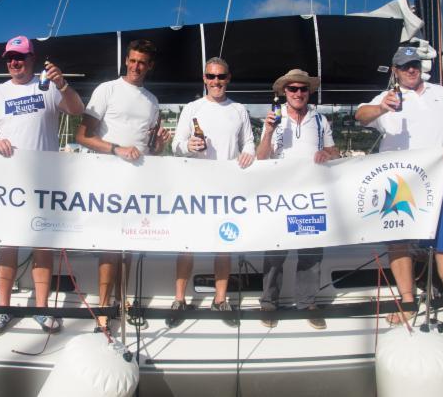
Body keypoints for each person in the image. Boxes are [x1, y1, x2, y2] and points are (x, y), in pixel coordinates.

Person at [355, 46, 443, 345]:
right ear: (394, 70)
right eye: (405, 66)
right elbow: (361, 115)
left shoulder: (442, 95)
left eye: (415, 65)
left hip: (441, 184)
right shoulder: (388, 99)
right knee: (399, 246)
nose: (411, 70)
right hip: (399, 186)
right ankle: (408, 303)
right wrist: (383, 108)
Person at [0, 35, 84, 336]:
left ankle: (41, 308)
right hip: (9, 183)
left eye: (20, 57)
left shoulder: (46, 86)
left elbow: (76, 110)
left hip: (45, 181)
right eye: (10, 57)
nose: (14, 62)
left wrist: (62, 84)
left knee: (42, 247)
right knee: (7, 245)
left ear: (32, 58)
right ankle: (2, 308)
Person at [75, 39, 170, 331]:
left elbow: (149, 151)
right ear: (126, 60)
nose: (136, 67)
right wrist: (117, 149)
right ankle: (104, 308)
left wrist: (159, 146)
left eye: (142, 62)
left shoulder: (153, 102)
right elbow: (82, 136)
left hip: (136, 181)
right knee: (109, 247)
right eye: (132, 60)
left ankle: (122, 300)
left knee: (128, 245)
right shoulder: (107, 89)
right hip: (106, 178)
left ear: (150, 65)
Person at [166, 57, 255, 328]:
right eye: (211, 76)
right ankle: (179, 300)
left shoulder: (239, 109)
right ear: (204, 78)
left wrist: (249, 153)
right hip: (195, 187)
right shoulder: (192, 108)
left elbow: (248, 142)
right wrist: (188, 146)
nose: (216, 81)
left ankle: (220, 299)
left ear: (229, 78)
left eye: (221, 77)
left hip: (228, 188)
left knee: (224, 246)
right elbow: (175, 144)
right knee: (187, 246)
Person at [255, 69, 340, 330]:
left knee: (311, 252)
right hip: (280, 196)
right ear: (284, 93)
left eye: (303, 89)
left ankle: (307, 303)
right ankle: (269, 303)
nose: (298, 93)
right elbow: (261, 158)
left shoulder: (320, 120)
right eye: (292, 89)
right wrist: (268, 131)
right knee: (275, 253)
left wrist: (327, 154)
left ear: (309, 92)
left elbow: (335, 152)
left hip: (311, 196)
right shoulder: (273, 119)